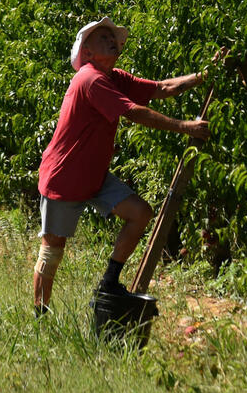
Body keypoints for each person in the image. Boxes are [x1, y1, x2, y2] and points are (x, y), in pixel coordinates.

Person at [33, 16, 214, 315]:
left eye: (112, 37)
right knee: (52, 253)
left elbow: (163, 88)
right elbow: (133, 112)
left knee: (140, 213)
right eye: (102, 37)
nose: (112, 40)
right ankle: (40, 317)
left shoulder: (113, 77)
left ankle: (109, 283)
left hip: (93, 175)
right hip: (64, 176)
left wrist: (207, 74)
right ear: (87, 52)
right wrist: (185, 127)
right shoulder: (90, 79)